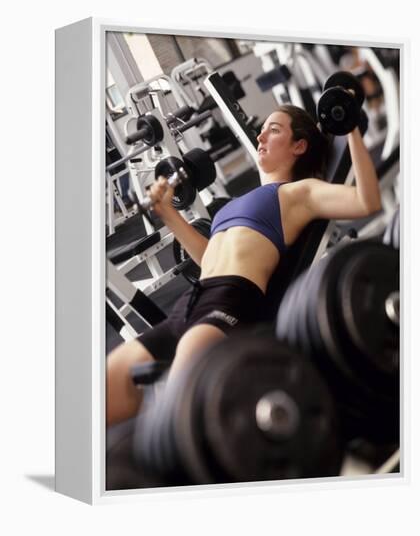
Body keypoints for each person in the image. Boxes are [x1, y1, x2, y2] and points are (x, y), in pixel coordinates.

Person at [106, 104, 382, 426]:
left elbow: (367, 201)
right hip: (191, 303)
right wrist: (168, 213)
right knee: (110, 383)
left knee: (176, 409)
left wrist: (350, 129)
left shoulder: (297, 194)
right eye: (263, 128)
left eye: (275, 129)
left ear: (299, 146)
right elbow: (209, 258)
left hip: (231, 303)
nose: (261, 134)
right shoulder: (231, 206)